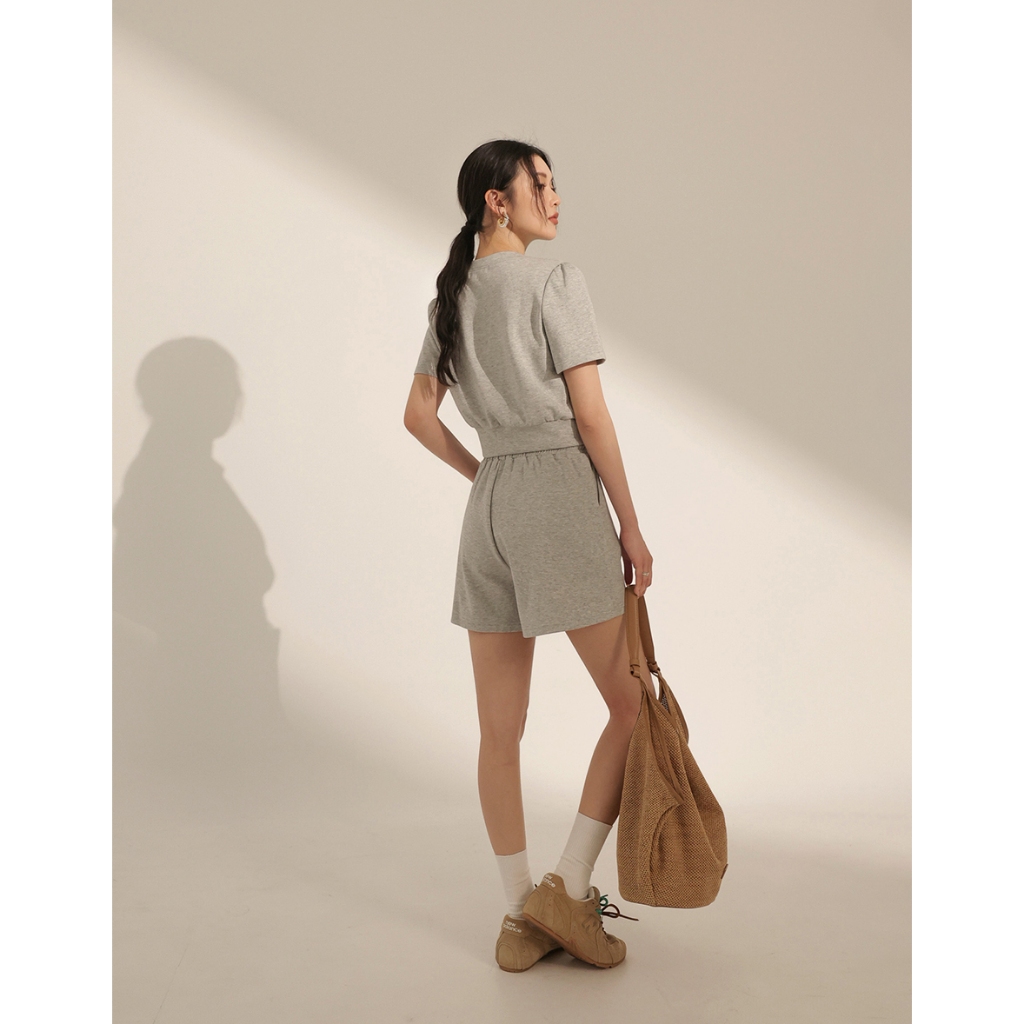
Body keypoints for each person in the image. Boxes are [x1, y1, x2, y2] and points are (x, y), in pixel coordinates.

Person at [403, 139, 655, 972]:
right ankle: (568, 888)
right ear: (496, 200)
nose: (555, 196)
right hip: (557, 499)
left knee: (498, 733)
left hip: (491, 510)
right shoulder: (555, 282)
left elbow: (417, 415)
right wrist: (629, 523)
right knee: (632, 706)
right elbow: (592, 417)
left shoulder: (451, 297)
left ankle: (519, 917)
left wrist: (485, 474)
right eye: (539, 182)